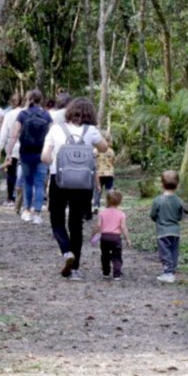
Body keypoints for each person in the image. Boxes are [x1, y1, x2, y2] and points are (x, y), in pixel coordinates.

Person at [41, 97, 109, 280]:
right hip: (82, 183)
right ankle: (75, 269)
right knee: (76, 224)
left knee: (57, 220)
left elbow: (45, 157)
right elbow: (104, 148)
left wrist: (56, 160)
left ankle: (66, 252)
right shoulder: (91, 131)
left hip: (59, 179)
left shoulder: (56, 129)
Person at [3, 89, 51, 224]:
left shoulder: (22, 114)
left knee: (28, 182)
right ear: (41, 100)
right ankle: (37, 214)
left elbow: (13, 135)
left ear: (28, 99)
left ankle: (27, 211)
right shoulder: (46, 115)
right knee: (40, 183)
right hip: (41, 153)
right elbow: (52, 135)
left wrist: (8, 153)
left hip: (25, 153)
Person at [150, 170, 185, 283]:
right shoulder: (179, 201)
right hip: (175, 231)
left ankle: (168, 273)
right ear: (177, 185)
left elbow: (153, 215)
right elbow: (180, 216)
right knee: (174, 252)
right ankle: (172, 271)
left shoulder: (158, 200)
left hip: (162, 232)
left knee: (165, 253)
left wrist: (158, 220)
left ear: (162, 184)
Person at [91, 189, 132, 280]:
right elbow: (123, 227)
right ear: (120, 201)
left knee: (104, 255)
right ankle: (117, 274)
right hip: (116, 238)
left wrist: (93, 234)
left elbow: (98, 225)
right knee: (117, 256)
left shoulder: (102, 212)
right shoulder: (121, 214)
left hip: (105, 237)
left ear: (107, 200)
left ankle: (106, 272)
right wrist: (127, 239)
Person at [0, 94, 22, 203]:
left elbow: (4, 132)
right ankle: (23, 197)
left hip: (12, 146)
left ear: (11, 103)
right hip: (27, 146)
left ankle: (10, 197)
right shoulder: (28, 113)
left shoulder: (9, 114)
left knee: (11, 173)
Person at [93, 131, 116, 214]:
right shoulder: (111, 151)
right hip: (109, 173)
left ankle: (96, 206)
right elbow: (113, 161)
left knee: (97, 190)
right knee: (109, 190)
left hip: (99, 174)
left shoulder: (96, 150)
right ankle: (110, 205)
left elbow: (93, 160)